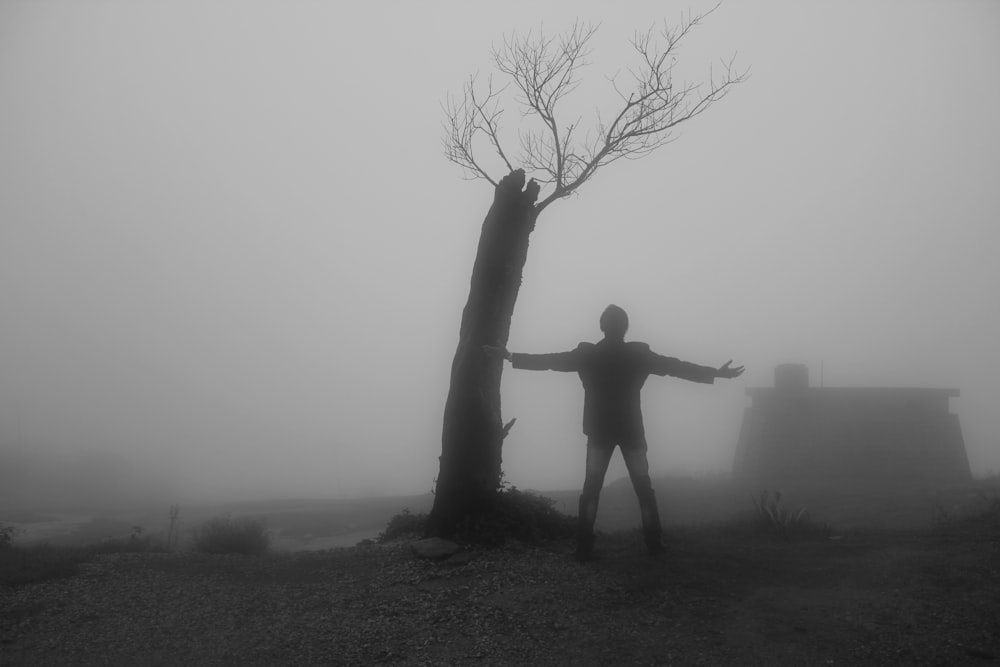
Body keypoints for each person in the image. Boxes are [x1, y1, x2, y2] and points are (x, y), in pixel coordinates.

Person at [486, 304, 744, 561]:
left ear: (601, 326)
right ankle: (654, 545)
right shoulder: (638, 354)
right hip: (631, 429)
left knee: (591, 490)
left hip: (599, 431)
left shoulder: (588, 355)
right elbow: (674, 367)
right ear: (626, 327)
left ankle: (584, 549)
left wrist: (510, 357)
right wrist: (716, 374)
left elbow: (551, 361)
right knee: (644, 490)